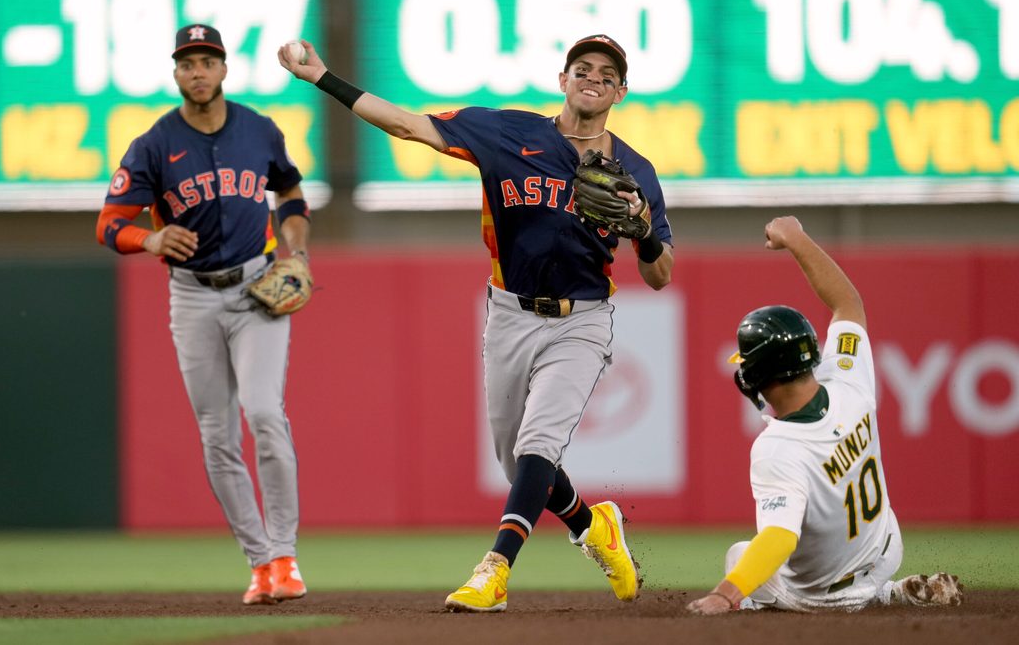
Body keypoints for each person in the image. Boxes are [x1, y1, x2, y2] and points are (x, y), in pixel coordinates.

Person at [278, 34, 673, 611]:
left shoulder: (635, 170)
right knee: (518, 462)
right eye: (582, 67)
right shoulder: (508, 133)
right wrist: (322, 79)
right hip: (509, 312)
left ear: (621, 91)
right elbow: (407, 125)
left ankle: (495, 570)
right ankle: (595, 528)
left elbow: (662, 273)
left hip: (581, 319)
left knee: (538, 443)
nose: (593, 77)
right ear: (563, 79)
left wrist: (641, 233)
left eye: (607, 74)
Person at [96, 24, 312, 606]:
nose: (197, 71)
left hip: (256, 287)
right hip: (191, 297)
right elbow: (109, 223)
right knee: (218, 436)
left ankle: (286, 554)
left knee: (265, 412)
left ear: (222, 70)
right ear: (176, 74)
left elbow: (290, 192)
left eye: (207, 61)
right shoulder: (153, 144)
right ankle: (261, 562)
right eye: (187, 62)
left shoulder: (259, 130)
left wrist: (296, 249)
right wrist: (150, 239)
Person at [686, 216, 963, 615]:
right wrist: (797, 239)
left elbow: (779, 538)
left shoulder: (776, 450)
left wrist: (723, 595)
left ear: (760, 374)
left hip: (825, 598)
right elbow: (847, 303)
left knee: (741, 557)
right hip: (885, 551)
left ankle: (879, 596)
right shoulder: (849, 380)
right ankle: (888, 590)